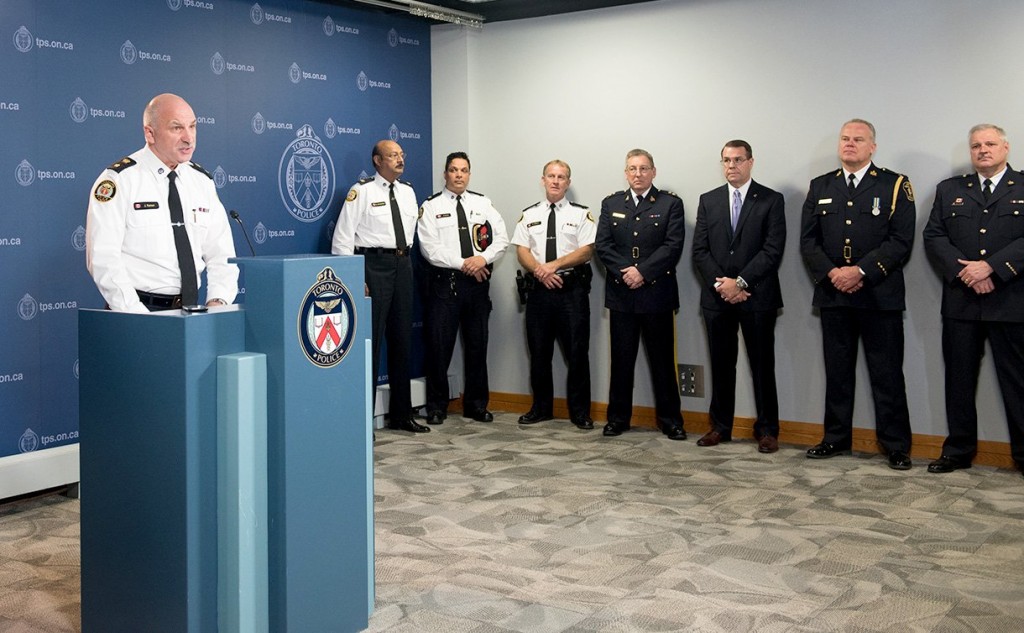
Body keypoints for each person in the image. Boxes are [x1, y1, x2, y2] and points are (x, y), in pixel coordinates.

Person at [799, 119, 915, 470]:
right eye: (845, 139)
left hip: (879, 294)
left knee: (887, 373)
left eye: (858, 139)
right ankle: (835, 438)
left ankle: (896, 444)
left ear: (872, 147)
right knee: (837, 371)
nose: (850, 144)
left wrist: (860, 271)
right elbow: (808, 241)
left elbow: (901, 240)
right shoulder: (821, 186)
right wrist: (833, 273)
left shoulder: (895, 185)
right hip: (835, 294)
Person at [922, 124, 1024, 476]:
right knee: (959, 381)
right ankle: (958, 451)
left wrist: (992, 268)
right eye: (976, 145)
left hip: (1011, 301)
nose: (983, 150)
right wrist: (966, 272)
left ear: (1006, 147)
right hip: (962, 302)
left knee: (1018, 383)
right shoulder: (951, 190)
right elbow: (934, 236)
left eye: (990, 144)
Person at [86, 93, 238, 312]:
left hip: (192, 313)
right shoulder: (119, 180)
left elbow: (221, 254)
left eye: (192, 126)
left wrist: (218, 302)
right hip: (135, 313)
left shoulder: (201, 181)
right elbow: (103, 259)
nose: (189, 138)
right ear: (150, 133)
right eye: (177, 128)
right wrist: (138, 315)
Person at [692, 140, 786, 453]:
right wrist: (724, 285)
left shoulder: (771, 200)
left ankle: (768, 430)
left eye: (738, 160)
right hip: (717, 299)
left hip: (757, 298)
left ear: (750, 162)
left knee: (762, 366)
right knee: (721, 365)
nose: (731, 166)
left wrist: (742, 283)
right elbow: (700, 250)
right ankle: (720, 427)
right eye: (726, 160)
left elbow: (772, 250)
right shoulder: (709, 200)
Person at [332, 140, 428, 433]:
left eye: (401, 155)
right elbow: (342, 240)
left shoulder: (408, 192)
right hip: (373, 267)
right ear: (377, 160)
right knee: (370, 346)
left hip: (403, 265)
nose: (400, 160)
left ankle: (401, 415)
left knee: (402, 342)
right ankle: (363, 422)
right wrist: (353, 278)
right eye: (393, 155)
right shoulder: (361, 192)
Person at [596, 149, 686, 440]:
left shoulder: (670, 203)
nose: (638, 174)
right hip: (622, 294)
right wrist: (626, 271)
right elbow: (603, 245)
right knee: (621, 362)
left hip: (656, 294)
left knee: (662, 362)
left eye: (644, 168)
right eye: (632, 169)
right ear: (626, 173)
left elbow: (672, 247)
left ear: (653, 172)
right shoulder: (611, 203)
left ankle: (670, 420)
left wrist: (643, 272)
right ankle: (617, 419)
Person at [417, 152, 508, 425]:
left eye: (464, 170)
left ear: (469, 174)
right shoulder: (431, 206)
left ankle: (477, 405)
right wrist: (464, 263)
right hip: (446, 286)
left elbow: (501, 238)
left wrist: (482, 259)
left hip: (477, 286)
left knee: (478, 348)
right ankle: (436, 407)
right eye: (453, 170)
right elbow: (430, 249)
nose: (459, 175)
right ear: (445, 174)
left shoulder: (483, 203)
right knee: (438, 350)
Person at [512, 159, 596, 430]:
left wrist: (554, 266)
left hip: (571, 291)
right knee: (538, 353)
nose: (556, 181)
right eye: (551, 176)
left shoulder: (581, 214)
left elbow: (587, 250)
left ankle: (580, 412)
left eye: (561, 177)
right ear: (543, 180)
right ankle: (541, 408)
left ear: (568, 183)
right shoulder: (529, 214)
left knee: (577, 354)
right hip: (539, 291)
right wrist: (539, 270)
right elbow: (522, 249)